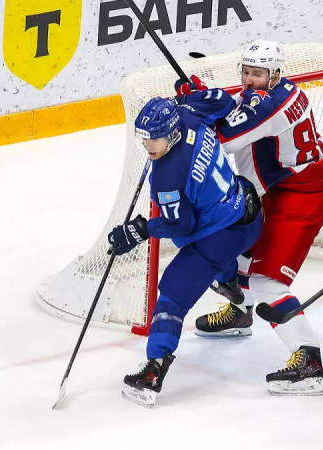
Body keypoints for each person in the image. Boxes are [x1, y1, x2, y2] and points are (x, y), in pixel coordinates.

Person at [183, 40, 323, 396]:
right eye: (247, 72)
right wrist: (203, 96)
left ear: (276, 74)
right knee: (237, 252)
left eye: (259, 73)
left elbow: (222, 139)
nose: (250, 79)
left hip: (302, 196)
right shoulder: (273, 93)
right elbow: (238, 106)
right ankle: (241, 313)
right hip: (278, 189)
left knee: (268, 282)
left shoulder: (271, 107)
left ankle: (309, 362)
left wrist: (192, 108)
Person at [111, 96, 262, 407]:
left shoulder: (166, 176)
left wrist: (140, 230)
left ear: (172, 132)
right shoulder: (190, 114)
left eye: (155, 138)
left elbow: (180, 226)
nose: (148, 145)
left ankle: (154, 370)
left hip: (221, 236)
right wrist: (189, 95)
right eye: (144, 138)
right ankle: (231, 285)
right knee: (212, 261)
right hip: (248, 211)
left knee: (172, 294)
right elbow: (223, 100)